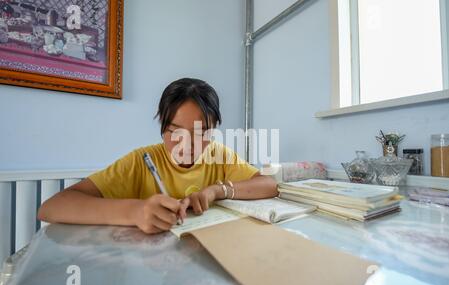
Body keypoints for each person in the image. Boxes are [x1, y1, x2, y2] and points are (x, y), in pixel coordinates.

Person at [38, 78, 278, 234]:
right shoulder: (141, 161)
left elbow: (269, 184)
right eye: (175, 132)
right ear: (162, 127)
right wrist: (135, 212)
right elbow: (51, 207)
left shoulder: (218, 155)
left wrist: (216, 190)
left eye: (201, 133)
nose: (188, 144)